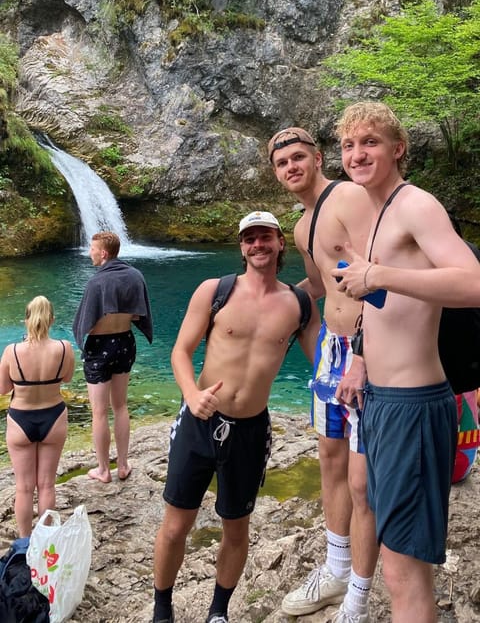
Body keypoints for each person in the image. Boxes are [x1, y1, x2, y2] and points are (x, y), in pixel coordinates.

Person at [333, 101, 480, 622]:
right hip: (381, 401)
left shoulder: (416, 204)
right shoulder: (377, 215)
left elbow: (473, 282)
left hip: (414, 406)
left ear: (398, 149)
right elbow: (386, 312)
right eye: (349, 145)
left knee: (402, 570)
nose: (357, 153)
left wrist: (379, 275)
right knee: (394, 555)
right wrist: (360, 358)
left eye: (370, 141)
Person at [152, 210, 319, 623]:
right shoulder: (216, 290)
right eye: (249, 238)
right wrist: (191, 394)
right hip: (199, 422)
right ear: (241, 246)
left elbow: (323, 365)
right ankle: (161, 609)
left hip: (250, 429)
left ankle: (218, 611)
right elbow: (181, 351)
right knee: (176, 524)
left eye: (265, 237)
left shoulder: (297, 305)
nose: (257, 244)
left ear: (281, 243)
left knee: (236, 526)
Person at [268, 127, 378, 622]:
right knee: (330, 461)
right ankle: (335, 570)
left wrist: (364, 354)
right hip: (332, 350)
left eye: (298, 157)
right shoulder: (301, 225)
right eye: (281, 163)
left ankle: (358, 593)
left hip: (364, 347)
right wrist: (268, 306)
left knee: (361, 481)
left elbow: (382, 274)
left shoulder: (350, 197)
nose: (291, 167)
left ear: (317, 158)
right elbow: (318, 285)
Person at [73, 231, 153, 483]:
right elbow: (140, 315)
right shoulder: (135, 275)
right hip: (125, 342)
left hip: (100, 347)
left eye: (92, 249)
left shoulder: (97, 283)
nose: (90, 253)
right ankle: (123, 465)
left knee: (99, 412)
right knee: (120, 406)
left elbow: (86, 324)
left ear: (104, 253)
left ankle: (103, 470)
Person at [0, 296, 75, 538]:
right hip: (53, 417)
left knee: (23, 488)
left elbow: (3, 388)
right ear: (52, 320)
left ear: (26, 320)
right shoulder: (64, 348)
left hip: (21, 419)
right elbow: (67, 378)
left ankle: (24, 542)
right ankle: (46, 541)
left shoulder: (12, 351)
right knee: (47, 485)